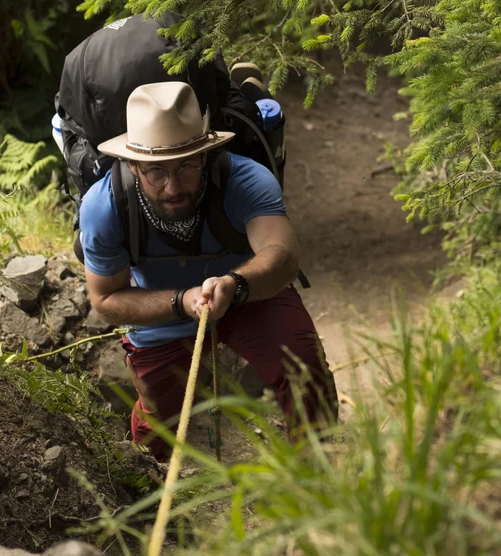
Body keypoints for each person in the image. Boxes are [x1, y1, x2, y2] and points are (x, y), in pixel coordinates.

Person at [79, 80, 337, 460]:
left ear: (205, 155)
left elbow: (281, 254)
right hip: (165, 311)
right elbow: (105, 301)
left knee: (304, 369)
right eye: (156, 172)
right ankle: (146, 492)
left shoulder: (245, 180)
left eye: (185, 165)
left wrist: (236, 285)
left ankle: (323, 476)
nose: (172, 187)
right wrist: (182, 302)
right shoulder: (104, 207)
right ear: (132, 165)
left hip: (248, 295)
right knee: (157, 422)